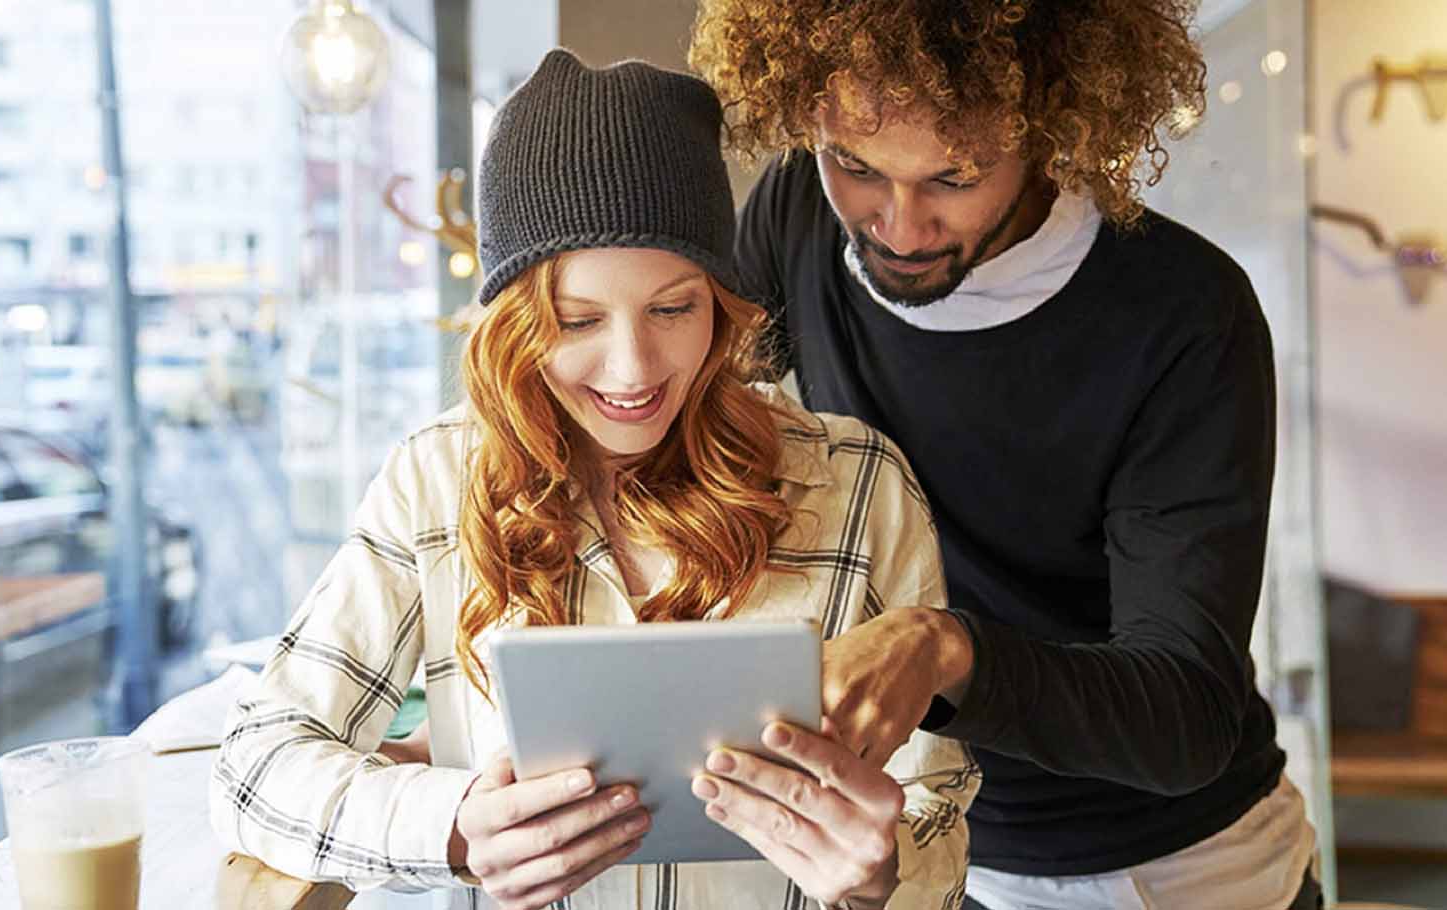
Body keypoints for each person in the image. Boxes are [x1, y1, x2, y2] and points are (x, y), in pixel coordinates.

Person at [209, 49, 978, 910]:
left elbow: (937, 818)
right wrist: (455, 824)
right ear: (514, 328)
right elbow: (255, 765)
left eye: (673, 307)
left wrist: (882, 881)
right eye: (577, 320)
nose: (632, 368)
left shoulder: (858, 484)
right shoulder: (437, 477)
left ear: (723, 307)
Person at [689, 2, 1321, 909]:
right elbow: (699, 416)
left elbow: (1187, 717)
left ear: (1054, 131)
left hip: (1165, 867)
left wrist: (941, 650)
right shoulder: (798, 212)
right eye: (855, 165)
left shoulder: (1183, 313)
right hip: (927, 840)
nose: (899, 227)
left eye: (957, 175)